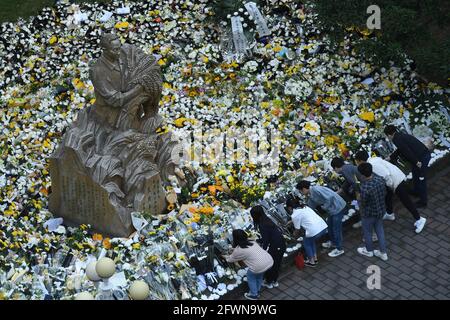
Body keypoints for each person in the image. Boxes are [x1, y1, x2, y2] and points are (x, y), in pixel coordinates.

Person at [354, 150, 427, 233]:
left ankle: (419, 219)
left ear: (361, 160)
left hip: (396, 181)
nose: (357, 164)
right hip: (397, 177)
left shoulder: (372, 165)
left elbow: (386, 174)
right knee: (388, 196)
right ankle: (389, 213)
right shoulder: (374, 159)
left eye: (357, 162)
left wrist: (391, 185)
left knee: (406, 201)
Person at [384, 125, 431, 208]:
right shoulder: (400, 135)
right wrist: (391, 157)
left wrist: (416, 162)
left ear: (389, 135)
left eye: (387, 136)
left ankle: (423, 201)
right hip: (421, 155)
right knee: (415, 175)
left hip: (421, 158)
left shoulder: (396, 139)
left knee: (421, 179)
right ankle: (417, 192)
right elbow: (401, 149)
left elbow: (407, 151)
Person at [296, 180, 346, 257]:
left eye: (300, 191)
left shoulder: (316, 190)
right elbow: (311, 205)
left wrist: (324, 207)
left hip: (337, 207)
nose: (300, 193)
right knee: (329, 226)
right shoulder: (310, 194)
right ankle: (333, 242)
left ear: (304, 189)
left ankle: (339, 249)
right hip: (332, 210)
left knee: (336, 229)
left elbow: (330, 197)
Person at [224, 229, 274, 300]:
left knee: (250, 276)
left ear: (235, 239)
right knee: (259, 275)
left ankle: (254, 294)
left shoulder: (239, 250)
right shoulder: (251, 241)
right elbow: (247, 250)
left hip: (259, 266)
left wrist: (225, 256)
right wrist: (234, 250)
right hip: (268, 260)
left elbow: (229, 259)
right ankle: (258, 289)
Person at [356, 163, 388, 261]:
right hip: (381, 210)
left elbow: (363, 203)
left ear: (362, 175)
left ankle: (369, 251)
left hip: (369, 214)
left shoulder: (365, 188)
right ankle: (383, 253)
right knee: (380, 231)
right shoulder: (380, 179)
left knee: (367, 232)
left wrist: (358, 198)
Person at [250, 205, 286, 288]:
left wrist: (263, 251)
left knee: (270, 264)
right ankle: (274, 281)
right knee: (277, 264)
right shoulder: (267, 219)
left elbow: (266, 240)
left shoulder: (262, 225)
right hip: (281, 244)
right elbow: (268, 237)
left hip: (275, 246)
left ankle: (269, 282)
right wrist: (257, 241)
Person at [285, 197, 328, 267]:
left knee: (306, 242)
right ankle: (315, 258)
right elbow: (303, 216)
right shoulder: (305, 207)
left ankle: (311, 261)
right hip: (323, 227)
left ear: (289, 207)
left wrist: (293, 237)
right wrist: (291, 221)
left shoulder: (294, 215)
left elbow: (297, 230)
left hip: (315, 231)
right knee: (310, 240)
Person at [330, 157, 367, 229]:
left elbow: (355, 183)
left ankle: (365, 222)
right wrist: (340, 190)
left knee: (362, 205)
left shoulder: (344, 171)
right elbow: (348, 181)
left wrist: (357, 194)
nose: (334, 170)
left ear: (336, 167)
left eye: (334, 169)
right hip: (364, 184)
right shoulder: (346, 167)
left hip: (363, 186)